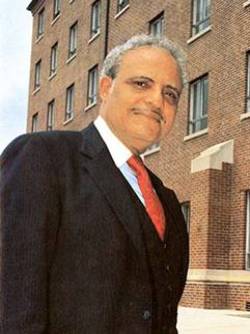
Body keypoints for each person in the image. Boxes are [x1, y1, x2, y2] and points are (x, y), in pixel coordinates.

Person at [0, 34, 189, 334]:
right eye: (142, 83)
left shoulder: (167, 200)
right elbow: (12, 310)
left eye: (170, 94)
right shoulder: (41, 158)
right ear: (105, 87)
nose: (157, 101)